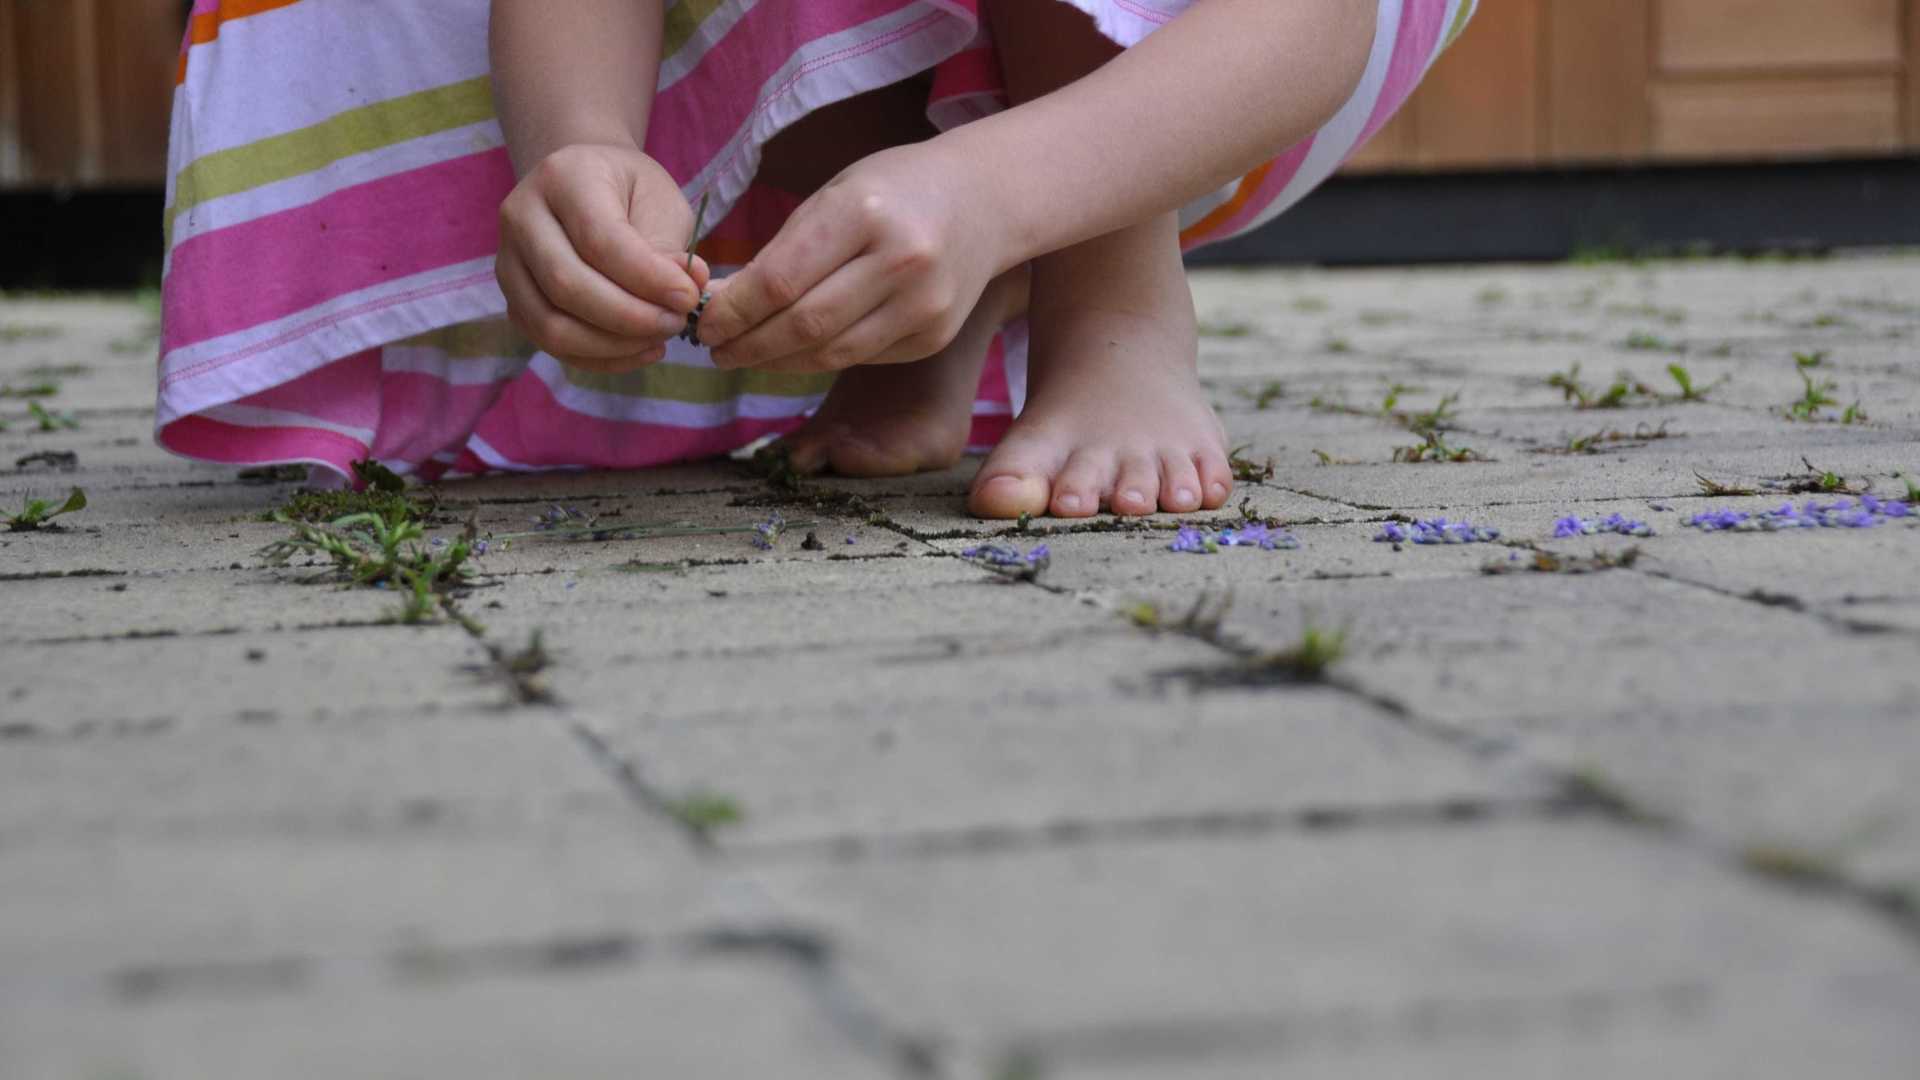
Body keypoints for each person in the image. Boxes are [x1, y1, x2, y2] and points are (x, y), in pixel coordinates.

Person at [158, 0, 1475, 518]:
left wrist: (997, 187)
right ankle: (924, 310)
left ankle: (1112, 309)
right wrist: (582, 146)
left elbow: (1312, 25)